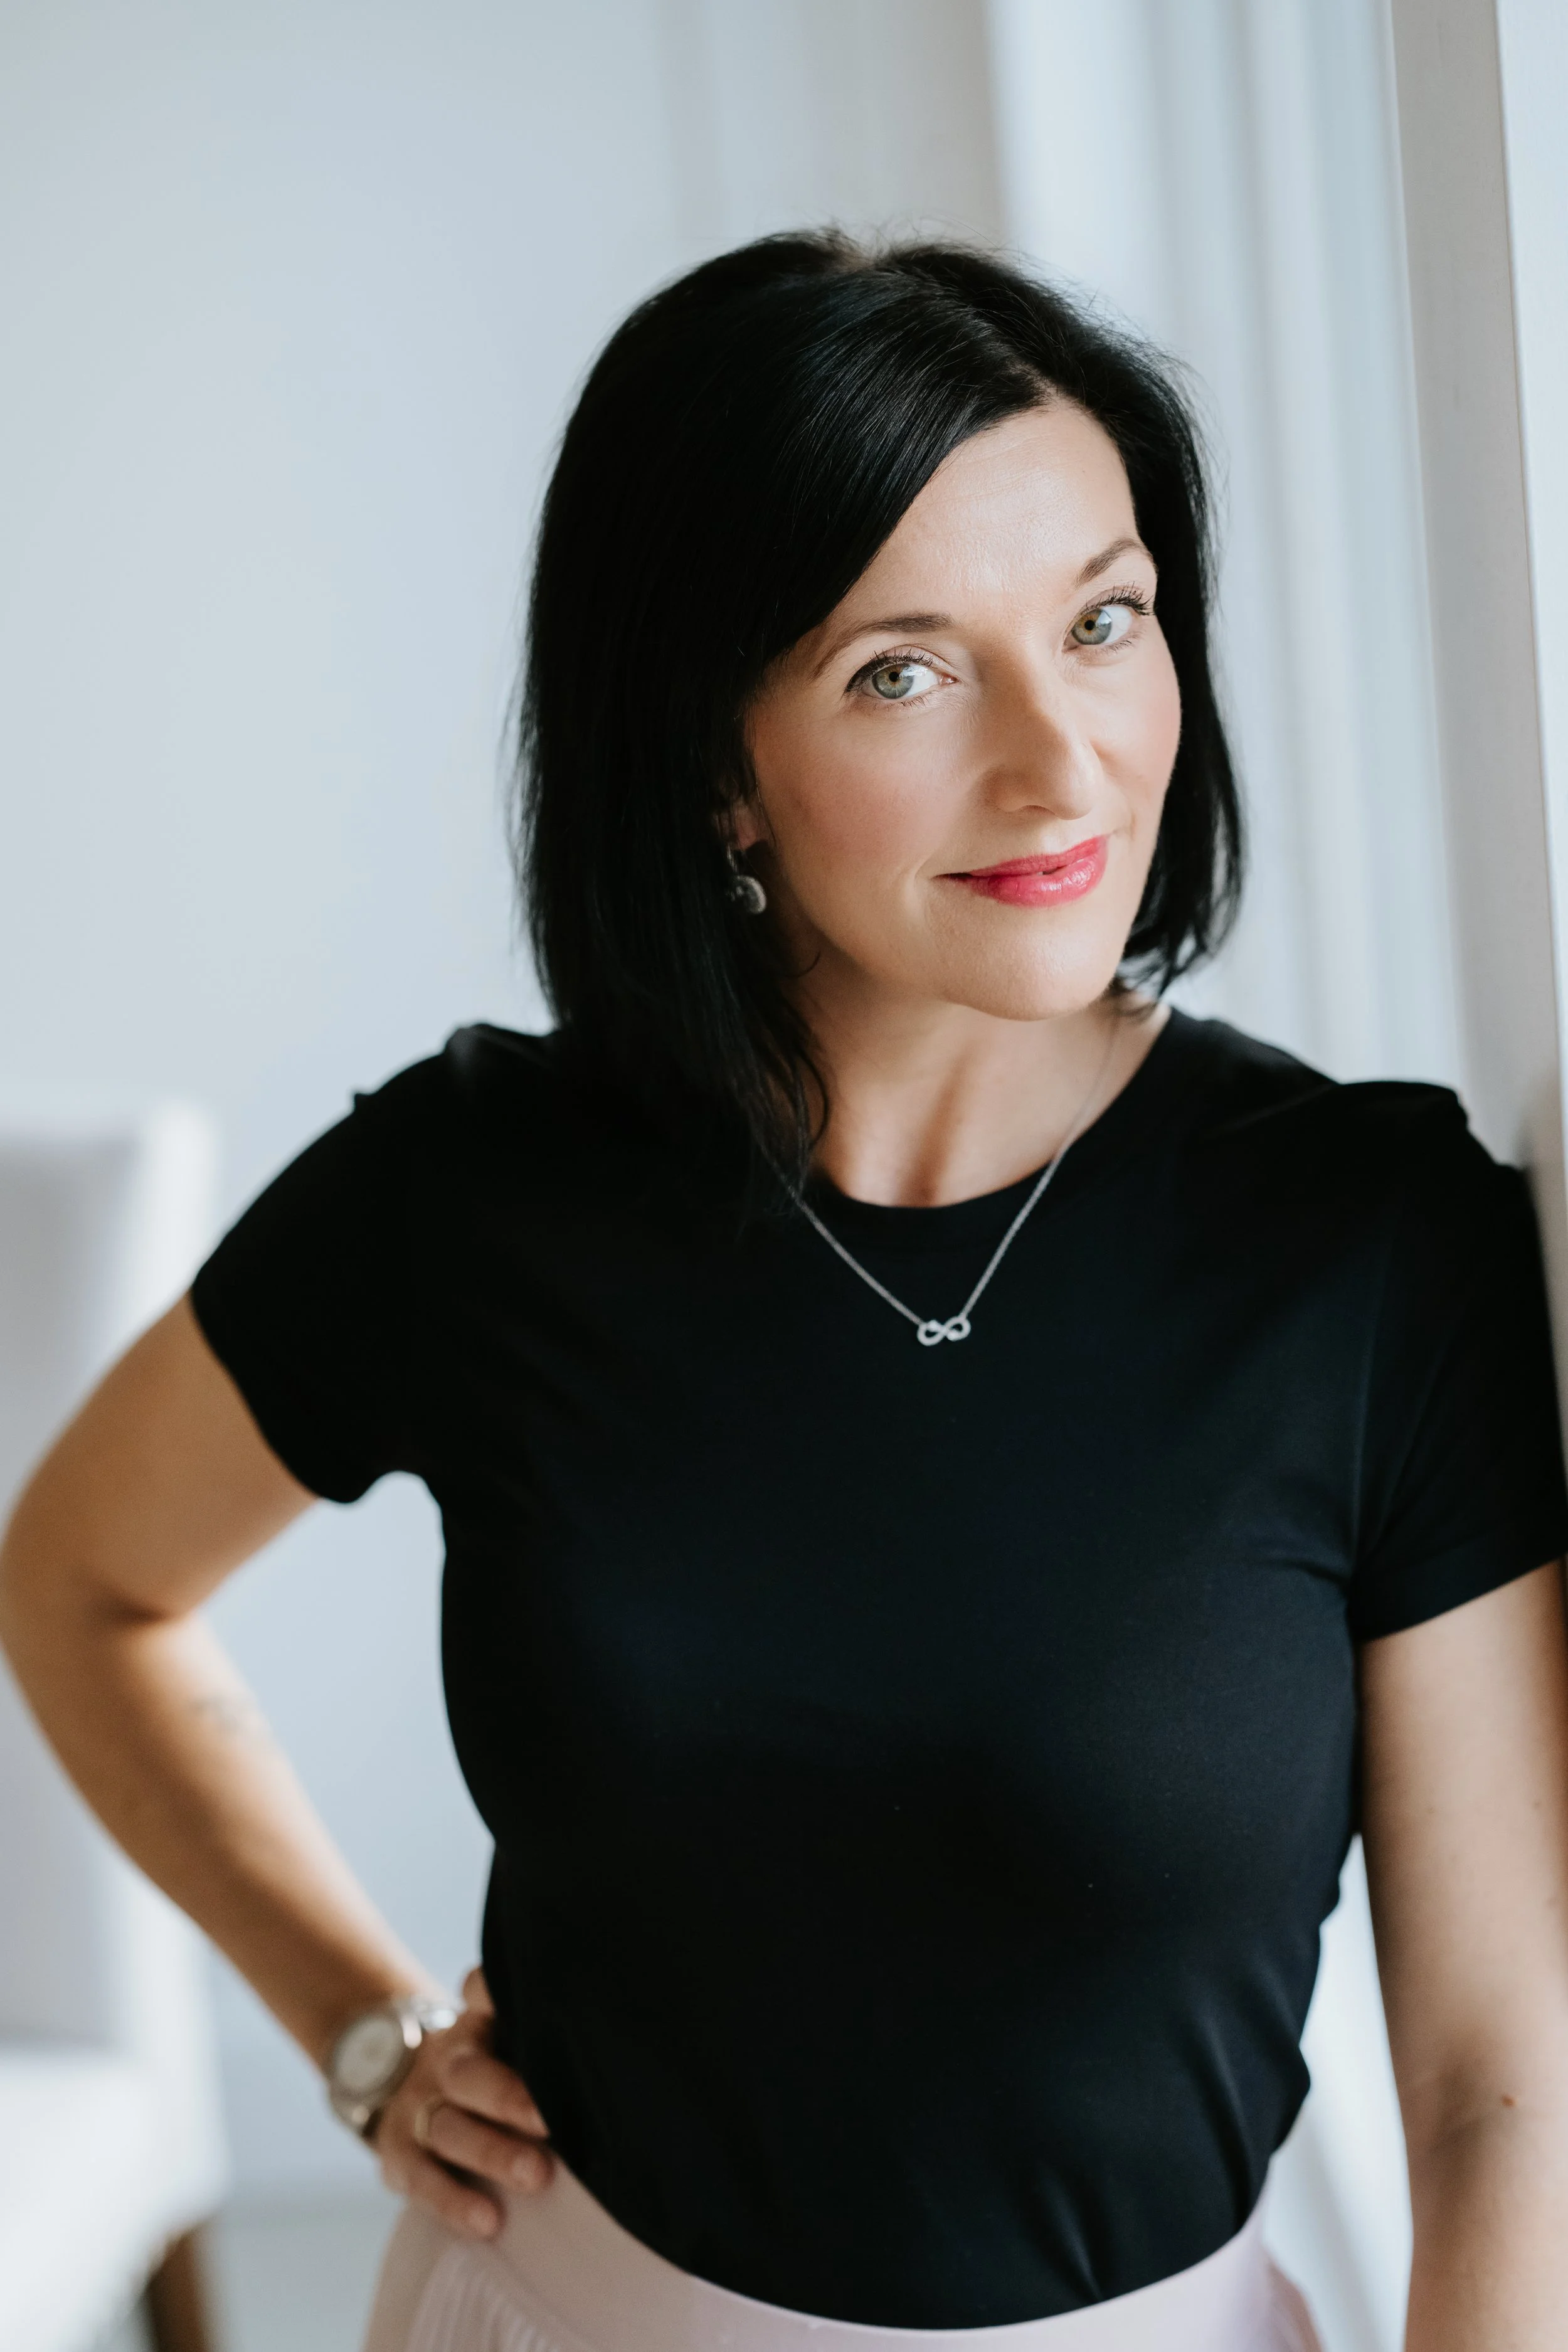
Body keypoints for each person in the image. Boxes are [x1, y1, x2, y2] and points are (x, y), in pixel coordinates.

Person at [4, 233, 1568, 2352]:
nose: (1061, 762)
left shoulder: (1369, 1241)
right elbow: (84, 1578)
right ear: (712, 762)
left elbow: (1495, 2089)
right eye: (902, 671)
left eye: (1102, 620)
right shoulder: (477, 1191)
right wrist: (358, 2027)